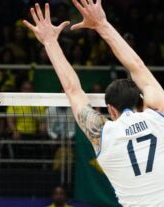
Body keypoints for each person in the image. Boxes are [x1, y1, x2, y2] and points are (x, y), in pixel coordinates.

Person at [23, 2, 164, 206]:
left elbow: (73, 90)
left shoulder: (102, 133)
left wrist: (49, 41)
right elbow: (138, 67)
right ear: (141, 101)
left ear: (110, 110)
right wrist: (102, 23)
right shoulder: (159, 117)